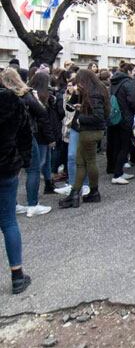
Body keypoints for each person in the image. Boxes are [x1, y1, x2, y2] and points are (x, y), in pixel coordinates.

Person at [0, 69, 50, 218]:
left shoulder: (3, 94)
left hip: (8, 137)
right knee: (33, 169)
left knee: (13, 170)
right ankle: (33, 204)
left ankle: (13, 204)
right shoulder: (25, 93)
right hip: (27, 133)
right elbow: (41, 111)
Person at [0, 83, 33, 294]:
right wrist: (25, 160)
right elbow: (25, 133)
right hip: (6, 166)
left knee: (9, 221)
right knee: (9, 221)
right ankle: (17, 276)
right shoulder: (10, 100)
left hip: (8, 164)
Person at [59, 69, 109, 208]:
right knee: (86, 162)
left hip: (89, 132)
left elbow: (98, 116)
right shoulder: (97, 90)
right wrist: (75, 97)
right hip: (94, 131)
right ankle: (90, 192)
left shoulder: (92, 94)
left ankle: (77, 194)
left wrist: (81, 117)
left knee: (84, 163)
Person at [107, 63, 135, 185]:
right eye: (133, 70)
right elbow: (133, 100)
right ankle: (117, 174)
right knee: (124, 146)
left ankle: (117, 170)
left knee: (115, 145)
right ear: (129, 71)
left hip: (113, 118)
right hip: (125, 118)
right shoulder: (128, 83)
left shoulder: (113, 82)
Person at [28, 71, 60, 197]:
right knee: (38, 164)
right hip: (41, 135)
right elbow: (44, 120)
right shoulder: (40, 98)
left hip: (41, 134)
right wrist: (51, 137)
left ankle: (49, 184)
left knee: (46, 161)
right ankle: (33, 196)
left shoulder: (34, 96)